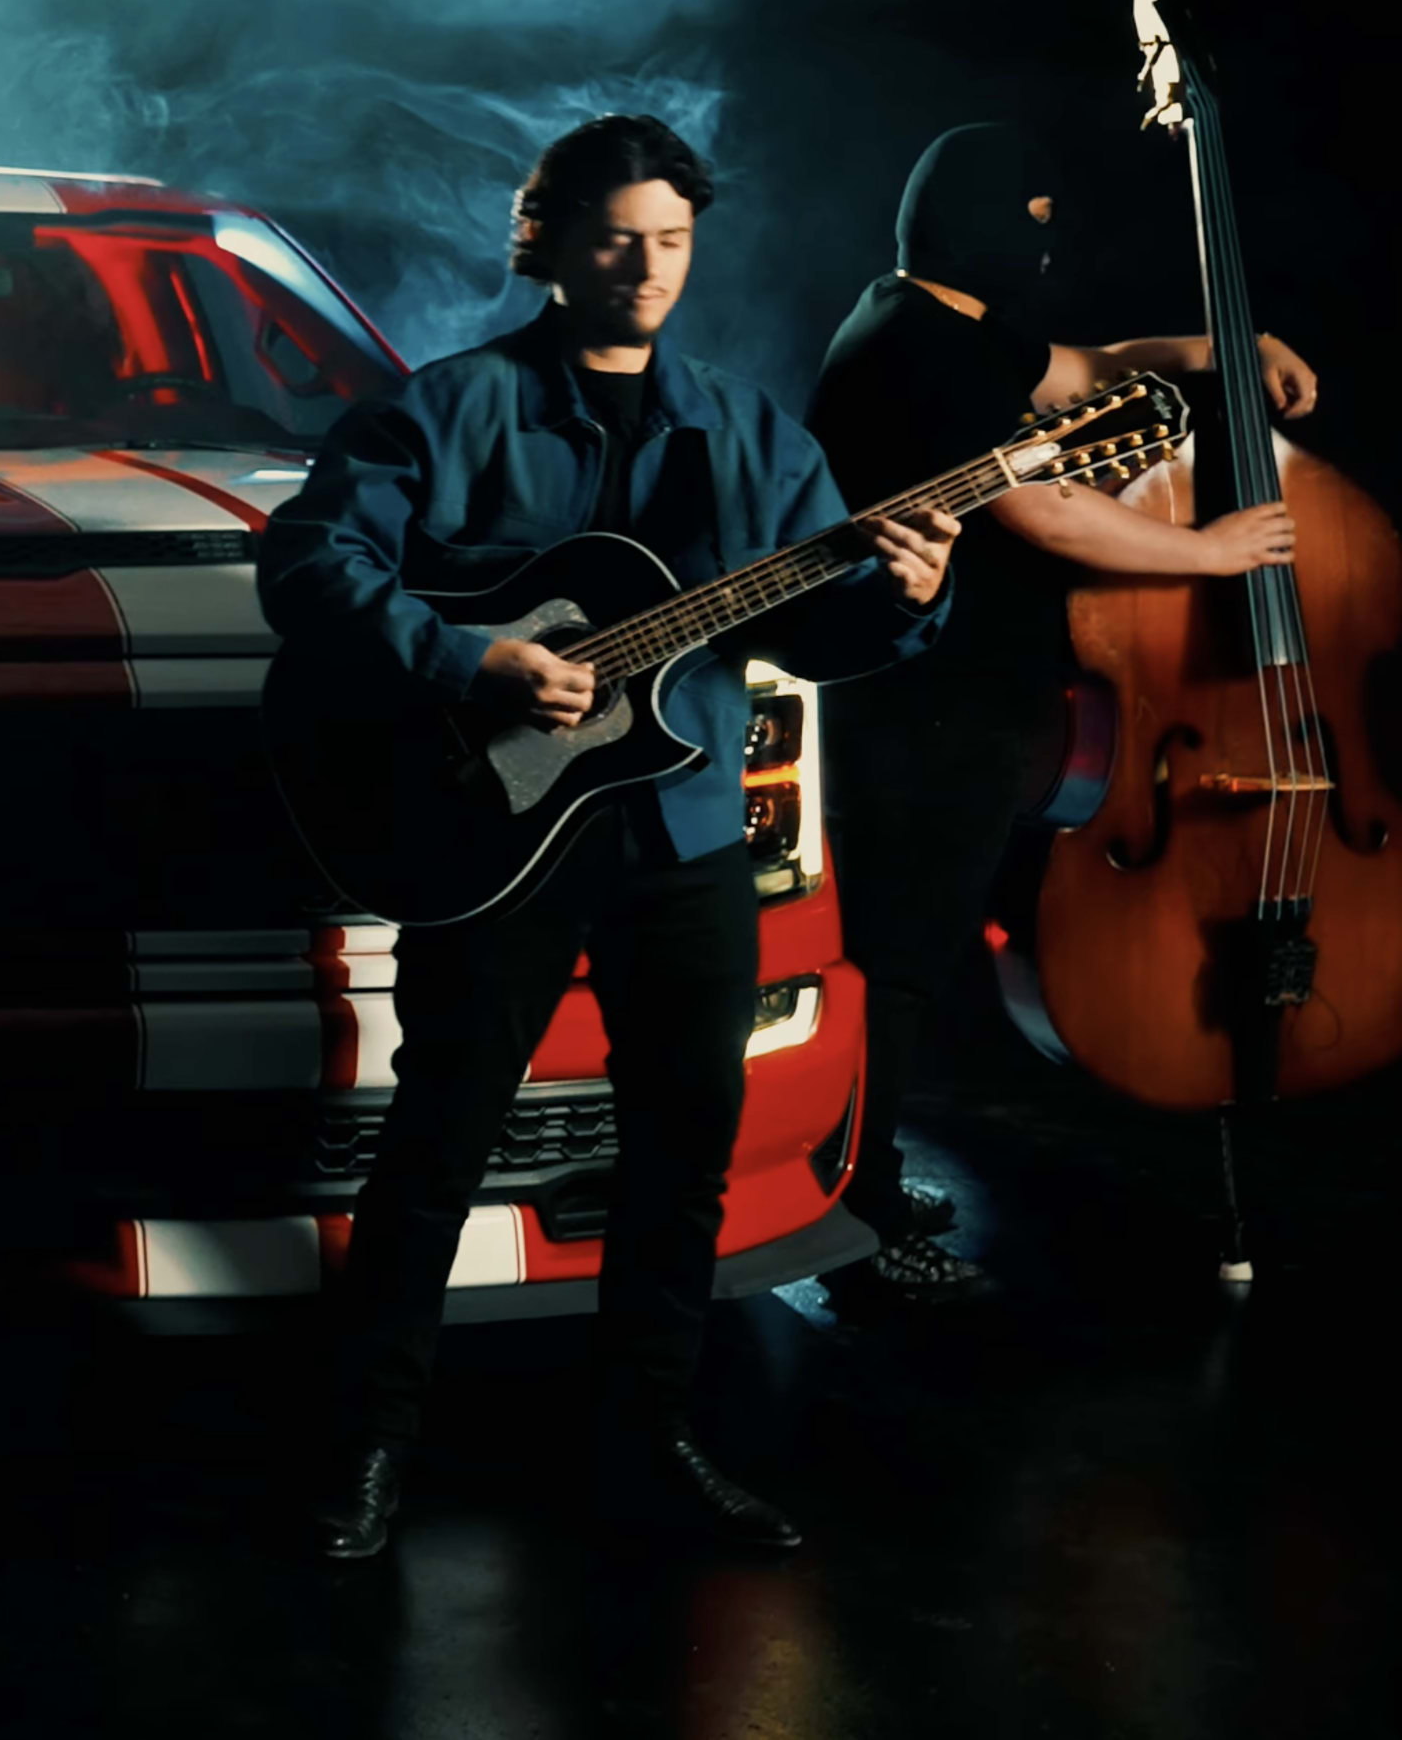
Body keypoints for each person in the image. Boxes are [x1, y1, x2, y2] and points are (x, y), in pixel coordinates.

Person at [258, 115, 960, 1562]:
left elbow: (822, 635)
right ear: (548, 245)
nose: (648, 269)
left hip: (685, 840)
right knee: (439, 1145)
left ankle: (648, 1437)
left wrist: (906, 589)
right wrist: (471, 664)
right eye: (616, 239)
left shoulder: (752, 432)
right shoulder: (444, 410)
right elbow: (308, 561)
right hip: (489, 833)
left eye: (675, 243)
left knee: (683, 1152)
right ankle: (367, 1447)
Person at [803, 123, 1319, 1305]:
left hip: (976, 699)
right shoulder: (906, 346)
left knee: (917, 955)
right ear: (981, 221)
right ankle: (860, 1222)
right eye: (1029, 222)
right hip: (922, 703)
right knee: (898, 959)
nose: (1043, 246)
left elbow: (1080, 370)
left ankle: (862, 1187)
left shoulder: (949, 322)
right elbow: (1041, 514)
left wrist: (1222, 342)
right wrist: (1212, 550)